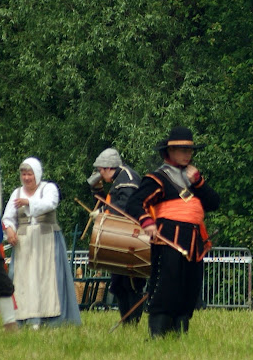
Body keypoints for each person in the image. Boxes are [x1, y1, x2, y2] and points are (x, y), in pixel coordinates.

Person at [128, 126, 220, 337]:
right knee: (165, 289)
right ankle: (158, 334)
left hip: (194, 242)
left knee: (189, 289)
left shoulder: (194, 179)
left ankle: (180, 333)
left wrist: (199, 182)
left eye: (189, 151)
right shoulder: (157, 178)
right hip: (168, 241)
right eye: (182, 150)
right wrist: (147, 222)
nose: (187, 155)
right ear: (169, 152)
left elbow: (214, 203)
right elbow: (135, 202)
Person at [2, 157, 81, 328]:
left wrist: (29, 202)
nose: (26, 178)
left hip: (47, 241)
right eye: (23, 174)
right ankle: (26, 318)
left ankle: (49, 319)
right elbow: (8, 217)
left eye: (29, 174)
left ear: (37, 174)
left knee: (45, 278)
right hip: (25, 243)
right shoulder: (16, 193)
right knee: (24, 280)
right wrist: (9, 229)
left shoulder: (48, 188)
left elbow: (50, 204)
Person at [88, 147, 146, 325]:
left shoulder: (127, 179)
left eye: (100, 170)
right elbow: (110, 201)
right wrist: (97, 192)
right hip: (122, 237)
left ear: (107, 168)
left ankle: (133, 324)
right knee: (119, 286)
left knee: (131, 285)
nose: (99, 173)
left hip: (132, 238)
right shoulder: (118, 179)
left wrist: (103, 212)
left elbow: (126, 208)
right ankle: (127, 324)